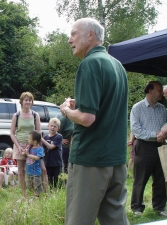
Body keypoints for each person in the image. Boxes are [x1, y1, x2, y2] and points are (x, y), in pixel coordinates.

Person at [60, 18, 129, 225]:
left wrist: (66, 111)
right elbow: (106, 108)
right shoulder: (117, 66)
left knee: (78, 220)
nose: (69, 39)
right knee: (115, 219)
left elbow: (87, 118)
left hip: (91, 160)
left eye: (74, 34)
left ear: (90, 35)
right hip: (116, 159)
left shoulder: (89, 64)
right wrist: (78, 108)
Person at [130, 81, 167, 216]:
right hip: (144, 146)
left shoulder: (162, 108)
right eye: (158, 90)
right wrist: (155, 135)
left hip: (161, 146)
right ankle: (137, 208)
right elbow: (136, 129)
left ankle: (159, 207)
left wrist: (163, 135)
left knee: (161, 179)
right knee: (140, 179)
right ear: (150, 91)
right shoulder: (137, 108)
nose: (161, 93)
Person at [10, 92, 49, 199]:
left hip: (33, 146)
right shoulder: (16, 115)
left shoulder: (35, 115)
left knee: (43, 169)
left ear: (32, 102)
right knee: (22, 171)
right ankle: (25, 195)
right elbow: (12, 133)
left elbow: (39, 132)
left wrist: (32, 147)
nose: (28, 102)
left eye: (30, 100)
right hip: (20, 145)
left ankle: (46, 193)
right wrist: (18, 146)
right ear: (21, 102)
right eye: (26, 100)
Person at [41, 118, 63, 189]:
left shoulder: (59, 137)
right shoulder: (45, 137)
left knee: (56, 180)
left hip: (56, 163)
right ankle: (49, 193)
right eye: (51, 125)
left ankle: (56, 193)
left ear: (58, 128)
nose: (52, 127)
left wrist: (41, 139)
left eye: (55, 126)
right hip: (48, 162)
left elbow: (51, 147)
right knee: (49, 180)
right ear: (48, 126)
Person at [23, 130, 44, 197]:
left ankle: (38, 198)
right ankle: (32, 198)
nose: (28, 140)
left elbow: (38, 158)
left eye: (29, 139)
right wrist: (25, 152)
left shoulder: (40, 149)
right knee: (29, 186)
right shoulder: (30, 148)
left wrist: (28, 155)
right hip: (29, 172)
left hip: (36, 173)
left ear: (35, 141)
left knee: (37, 187)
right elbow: (23, 154)